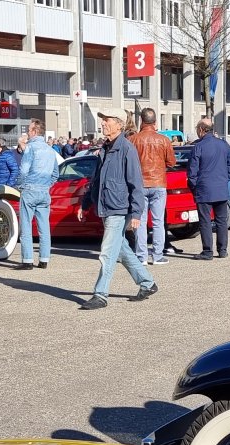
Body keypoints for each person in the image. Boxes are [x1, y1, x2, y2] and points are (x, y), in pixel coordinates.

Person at [79, 108, 156, 310]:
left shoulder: (127, 149)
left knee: (107, 252)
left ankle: (100, 294)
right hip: (106, 207)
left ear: (119, 124)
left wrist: (137, 213)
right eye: (103, 120)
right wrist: (85, 203)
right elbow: (96, 181)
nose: (103, 123)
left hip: (119, 209)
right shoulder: (104, 149)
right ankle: (147, 283)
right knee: (121, 250)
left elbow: (136, 183)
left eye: (107, 120)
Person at [129, 108, 178, 265]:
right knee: (158, 221)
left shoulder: (132, 140)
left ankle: (141, 256)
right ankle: (157, 256)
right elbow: (172, 162)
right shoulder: (163, 140)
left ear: (141, 121)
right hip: (158, 183)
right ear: (155, 122)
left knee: (140, 221)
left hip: (139, 184)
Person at [188, 117, 230, 259]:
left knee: (205, 221)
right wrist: (224, 180)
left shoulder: (198, 147)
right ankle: (222, 250)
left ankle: (208, 252)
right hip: (221, 189)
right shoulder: (224, 145)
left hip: (204, 190)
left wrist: (195, 187)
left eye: (197, 129)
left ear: (201, 130)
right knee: (221, 221)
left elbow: (192, 172)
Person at [15, 118, 59, 270]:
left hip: (30, 189)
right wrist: (46, 185)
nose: (27, 132)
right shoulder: (50, 150)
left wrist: (20, 185)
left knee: (26, 226)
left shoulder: (30, 148)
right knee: (44, 227)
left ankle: (27, 260)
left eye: (29, 130)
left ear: (34, 131)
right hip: (44, 191)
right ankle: (44, 259)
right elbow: (55, 174)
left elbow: (24, 170)